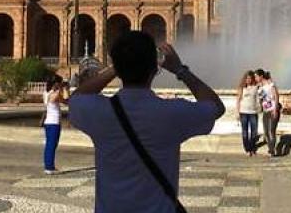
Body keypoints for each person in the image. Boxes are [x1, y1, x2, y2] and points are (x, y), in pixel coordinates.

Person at [69, 31, 225, 213]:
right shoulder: (171, 113)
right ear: (154, 69)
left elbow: (76, 98)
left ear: (117, 66)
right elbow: (216, 107)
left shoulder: (99, 112)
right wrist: (180, 70)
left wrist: (116, 67)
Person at [43, 75, 69, 174]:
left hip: (49, 122)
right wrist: (64, 88)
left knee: (49, 144)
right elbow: (66, 99)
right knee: (52, 145)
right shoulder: (55, 94)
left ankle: (49, 166)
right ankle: (49, 167)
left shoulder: (46, 93)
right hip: (54, 122)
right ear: (56, 83)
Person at [257, 69, 281, 157]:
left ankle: (272, 151)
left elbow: (276, 96)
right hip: (265, 110)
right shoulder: (260, 87)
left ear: (261, 76)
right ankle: (270, 148)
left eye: (256, 76)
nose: (255, 78)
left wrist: (275, 109)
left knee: (271, 131)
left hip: (272, 109)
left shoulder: (270, 84)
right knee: (266, 132)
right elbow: (261, 99)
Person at [235, 70, 259, 156]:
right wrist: (237, 112)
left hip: (253, 112)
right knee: (245, 132)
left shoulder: (256, 87)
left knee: (254, 132)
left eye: (250, 78)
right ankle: (247, 149)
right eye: (247, 78)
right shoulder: (242, 88)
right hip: (243, 112)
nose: (248, 80)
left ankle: (252, 148)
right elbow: (238, 100)